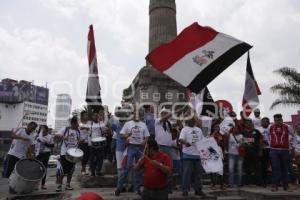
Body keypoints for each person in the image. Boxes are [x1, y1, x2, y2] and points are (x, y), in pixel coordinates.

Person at [114, 107, 150, 196]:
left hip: (140, 148)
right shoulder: (128, 124)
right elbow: (121, 134)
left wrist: (144, 142)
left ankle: (137, 188)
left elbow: (147, 136)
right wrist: (127, 135)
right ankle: (119, 188)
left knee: (139, 169)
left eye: (137, 114)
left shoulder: (143, 124)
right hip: (131, 147)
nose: (136, 115)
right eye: (134, 114)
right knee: (126, 168)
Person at [179, 115, 206, 197]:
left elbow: (202, 141)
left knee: (198, 174)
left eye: (193, 119)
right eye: (190, 119)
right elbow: (180, 139)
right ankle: (185, 190)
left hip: (198, 155)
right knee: (187, 174)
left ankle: (198, 190)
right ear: (187, 121)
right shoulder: (184, 129)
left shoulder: (199, 130)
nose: (192, 120)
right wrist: (185, 143)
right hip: (188, 155)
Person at [55, 116, 82, 192]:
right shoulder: (65, 129)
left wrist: (80, 141)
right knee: (63, 170)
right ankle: (59, 185)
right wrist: (63, 137)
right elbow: (57, 135)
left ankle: (68, 185)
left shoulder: (78, 131)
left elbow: (80, 140)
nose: (78, 124)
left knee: (71, 170)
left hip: (74, 154)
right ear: (73, 123)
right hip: (65, 153)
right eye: (77, 123)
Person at [269, 114, 292, 192]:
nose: (277, 122)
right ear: (274, 120)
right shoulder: (271, 127)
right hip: (274, 150)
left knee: (284, 168)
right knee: (275, 168)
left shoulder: (287, 127)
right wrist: (271, 145)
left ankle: (286, 186)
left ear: (282, 120)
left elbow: (294, 135)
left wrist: (290, 146)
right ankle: (275, 185)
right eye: (276, 120)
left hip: (285, 150)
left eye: (279, 120)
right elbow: (267, 136)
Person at [154, 108, 174, 193]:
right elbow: (166, 117)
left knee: (169, 167)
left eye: (165, 113)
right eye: (163, 113)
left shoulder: (170, 123)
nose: (165, 114)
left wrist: (182, 116)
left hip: (169, 147)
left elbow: (179, 125)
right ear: (161, 114)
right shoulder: (157, 121)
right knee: (159, 166)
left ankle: (168, 187)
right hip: (160, 146)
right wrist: (174, 112)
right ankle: (158, 186)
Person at [241, 119, 263, 186]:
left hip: (255, 152)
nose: (248, 124)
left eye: (249, 123)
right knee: (247, 168)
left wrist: (260, 150)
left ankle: (259, 182)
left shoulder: (256, 131)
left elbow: (260, 141)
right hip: (246, 153)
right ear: (245, 124)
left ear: (251, 124)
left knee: (257, 168)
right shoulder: (242, 132)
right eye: (247, 123)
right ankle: (247, 182)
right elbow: (241, 141)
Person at [35, 125, 54, 190]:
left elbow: (52, 145)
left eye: (43, 129)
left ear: (46, 129)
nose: (42, 130)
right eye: (41, 129)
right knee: (36, 168)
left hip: (46, 153)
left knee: (44, 169)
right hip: (38, 153)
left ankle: (43, 184)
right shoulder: (37, 136)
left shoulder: (49, 136)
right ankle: (35, 184)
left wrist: (45, 143)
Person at [209, 123, 226, 190]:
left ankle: (221, 184)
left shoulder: (221, 135)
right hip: (212, 152)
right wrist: (214, 134)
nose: (217, 128)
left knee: (220, 169)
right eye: (215, 127)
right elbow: (209, 143)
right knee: (212, 169)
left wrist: (220, 142)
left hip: (219, 151)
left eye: (218, 127)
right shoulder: (211, 135)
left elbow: (223, 144)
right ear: (213, 128)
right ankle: (213, 184)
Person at [89, 112, 105, 177]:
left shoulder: (100, 124)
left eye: (97, 116)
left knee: (100, 158)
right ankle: (92, 172)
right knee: (93, 158)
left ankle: (98, 171)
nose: (96, 117)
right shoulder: (90, 124)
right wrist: (90, 143)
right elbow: (88, 134)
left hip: (100, 143)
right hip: (92, 144)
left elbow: (104, 132)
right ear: (92, 117)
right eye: (94, 116)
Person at [257, 117, 271, 187]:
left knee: (274, 166)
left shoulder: (271, 128)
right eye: (263, 121)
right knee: (263, 166)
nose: (265, 123)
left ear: (269, 122)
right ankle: (264, 181)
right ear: (261, 122)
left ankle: (276, 182)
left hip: (272, 149)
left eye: (266, 121)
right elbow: (257, 140)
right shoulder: (258, 129)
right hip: (263, 150)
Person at [79, 111, 90, 175]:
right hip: (82, 142)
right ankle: (83, 169)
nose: (87, 116)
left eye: (87, 115)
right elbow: (80, 128)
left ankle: (88, 169)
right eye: (85, 115)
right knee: (83, 156)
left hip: (89, 142)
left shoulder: (90, 123)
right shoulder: (80, 123)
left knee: (88, 156)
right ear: (82, 116)